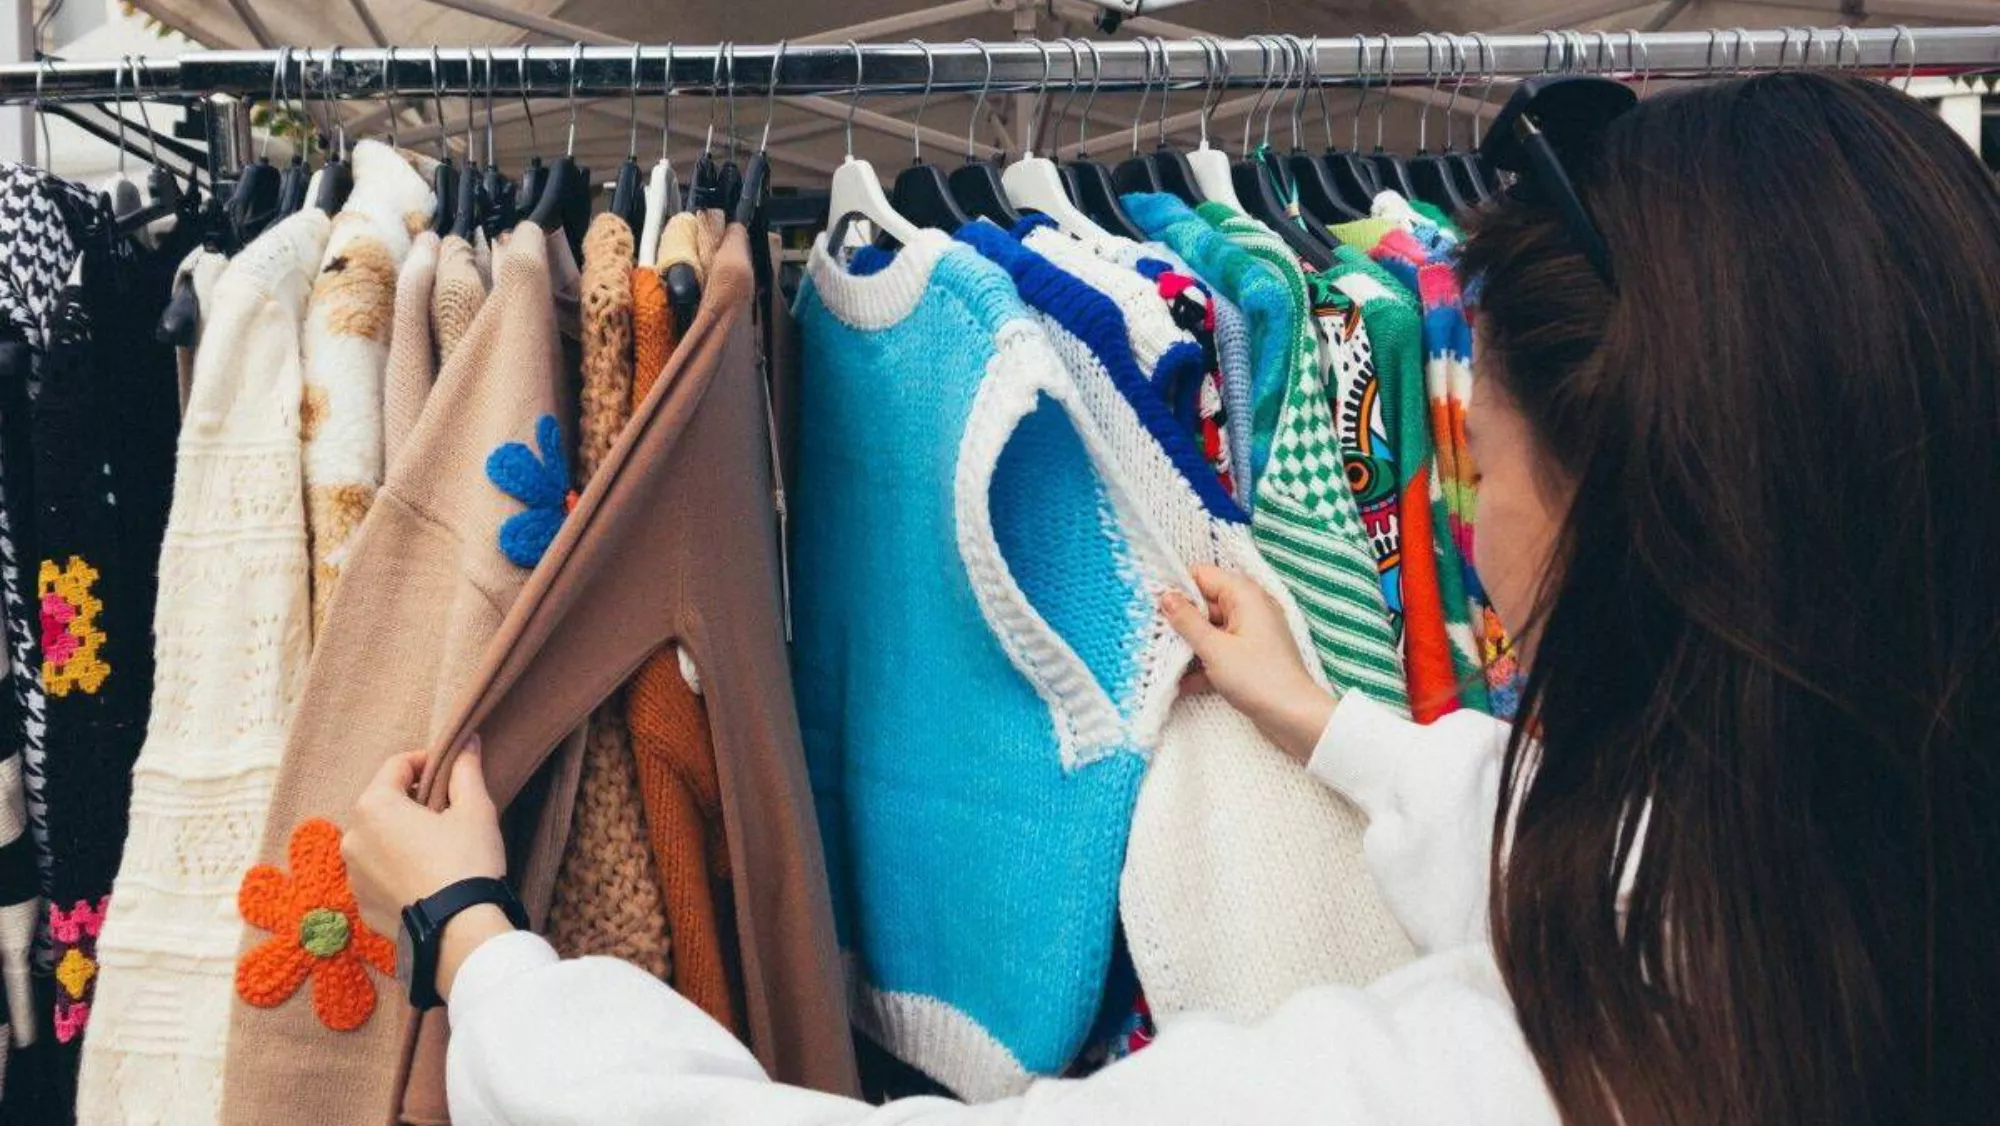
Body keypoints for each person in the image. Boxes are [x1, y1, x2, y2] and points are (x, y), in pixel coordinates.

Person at [341, 72, 2000, 1126]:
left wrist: (473, 940)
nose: (1473, 516)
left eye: (1479, 462)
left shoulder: (1507, 1077)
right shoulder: (1849, 903)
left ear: (1640, 526)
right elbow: (1588, 854)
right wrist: (1331, 722)